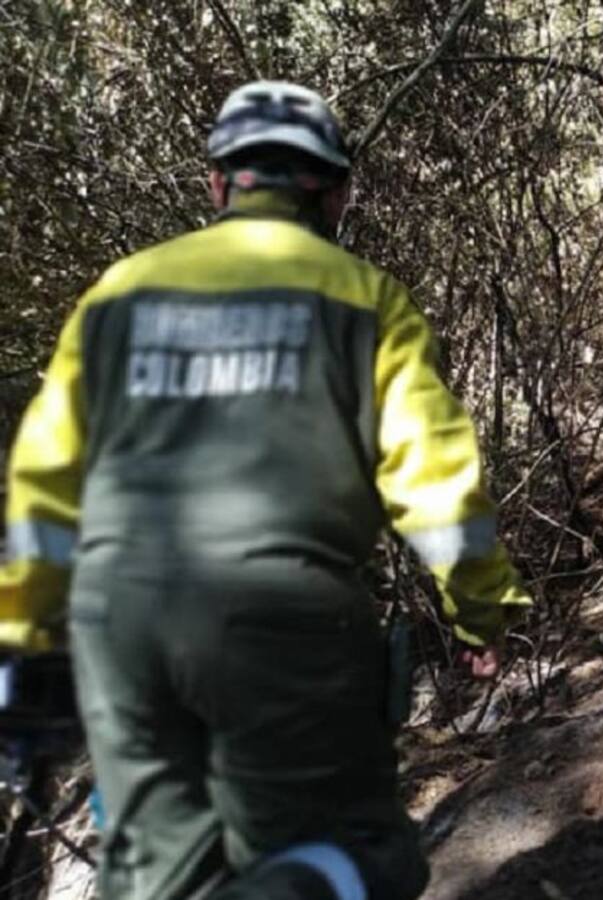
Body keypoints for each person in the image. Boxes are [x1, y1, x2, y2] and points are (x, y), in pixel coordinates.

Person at [0, 80, 533, 899]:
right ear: (337, 192)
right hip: (285, 618)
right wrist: (478, 612)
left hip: (118, 627)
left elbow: (43, 489)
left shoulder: (118, 294)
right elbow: (438, 490)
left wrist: (22, 641)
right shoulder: (366, 298)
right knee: (361, 855)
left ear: (218, 185)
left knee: (156, 879)